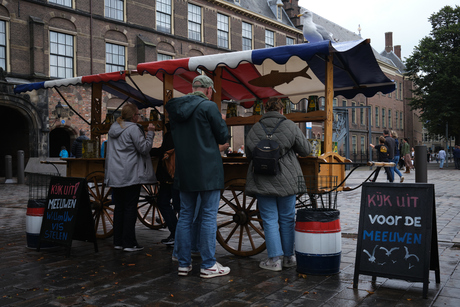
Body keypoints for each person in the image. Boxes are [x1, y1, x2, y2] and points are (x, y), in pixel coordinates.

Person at [165, 75, 230, 278]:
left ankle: (183, 264)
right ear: (209, 90)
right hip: (208, 169)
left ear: (192, 88)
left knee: (185, 215)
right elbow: (222, 137)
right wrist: (222, 122)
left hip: (185, 168)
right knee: (208, 216)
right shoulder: (208, 107)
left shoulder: (175, 109)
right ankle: (208, 264)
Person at [245, 97, 311, 271]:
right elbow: (306, 150)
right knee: (288, 219)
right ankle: (289, 257)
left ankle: (274, 260)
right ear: (282, 110)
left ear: (265, 110)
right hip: (287, 179)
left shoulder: (255, 127)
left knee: (269, 219)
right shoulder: (290, 125)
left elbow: (248, 154)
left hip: (262, 178)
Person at [104, 103, 156, 252]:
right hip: (130, 174)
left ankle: (118, 241)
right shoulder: (133, 129)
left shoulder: (114, 128)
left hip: (116, 174)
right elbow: (144, 149)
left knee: (119, 208)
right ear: (133, 116)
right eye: (138, 114)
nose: (139, 116)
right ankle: (129, 243)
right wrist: (151, 133)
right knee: (130, 208)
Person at [150, 123, 180, 245]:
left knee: (165, 202)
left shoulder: (171, 133)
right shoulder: (179, 131)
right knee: (174, 205)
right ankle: (176, 233)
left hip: (170, 175)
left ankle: (176, 233)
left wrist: (149, 150)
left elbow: (164, 151)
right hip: (176, 175)